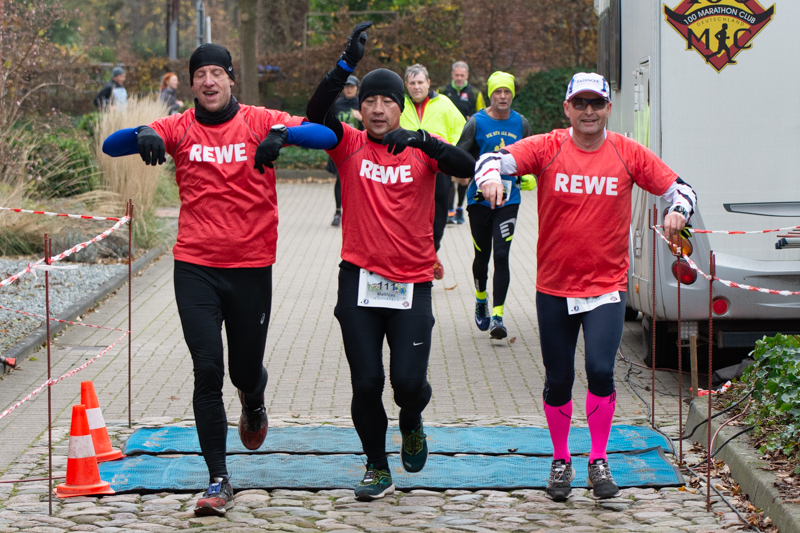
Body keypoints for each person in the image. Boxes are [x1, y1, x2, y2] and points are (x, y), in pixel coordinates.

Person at [101, 43, 336, 517]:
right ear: (192, 83)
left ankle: (253, 395)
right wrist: (145, 132)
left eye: (216, 73)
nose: (208, 81)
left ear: (231, 79)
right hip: (196, 267)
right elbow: (112, 145)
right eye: (200, 74)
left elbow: (326, 135)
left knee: (243, 372)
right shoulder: (180, 127)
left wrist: (282, 136)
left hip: (250, 266)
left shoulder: (257, 120)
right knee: (207, 369)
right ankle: (218, 479)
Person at [474, 72, 696, 501]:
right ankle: (561, 460)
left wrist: (678, 212)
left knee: (600, 371)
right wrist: (490, 178)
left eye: (597, 103)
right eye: (581, 103)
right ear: (567, 108)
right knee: (559, 379)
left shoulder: (627, 152)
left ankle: (598, 459)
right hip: (555, 287)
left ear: (608, 108)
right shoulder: (548, 146)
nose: (588, 111)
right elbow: (491, 160)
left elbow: (680, 189)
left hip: (605, 288)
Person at [306, 22, 475, 501]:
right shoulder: (348, 143)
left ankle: (412, 419)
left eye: (387, 101)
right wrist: (345, 64)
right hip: (358, 281)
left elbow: (466, 166)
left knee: (407, 384)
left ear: (401, 106)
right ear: (359, 108)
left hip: (412, 283)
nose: (378, 109)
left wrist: (426, 143)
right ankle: (377, 467)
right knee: (366, 383)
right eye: (370, 101)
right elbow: (315, 112)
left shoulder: (421, 147)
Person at [456, 71, 534, 340]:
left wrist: (529, 176)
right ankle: (481, 298)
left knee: (501, 255)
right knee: (483, 256)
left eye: (507, 92)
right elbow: (460, 155)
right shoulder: (476, 122)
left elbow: (532, 155)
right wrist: (470, 173)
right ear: (490, 94)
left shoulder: (521, 123)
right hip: (479, 201)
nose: (502, 96)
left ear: (513, 94)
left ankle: (498, 316)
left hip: (508, 200)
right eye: (498, 92)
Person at [399, 63, 466, 280]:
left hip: (438, 171)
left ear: (428, 83)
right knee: (407, 220)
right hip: (407, 172)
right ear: (406, 85)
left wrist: (451, 157)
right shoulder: (399, 104)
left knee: (438, 222)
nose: (416, 87)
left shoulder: (444, 103)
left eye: (420, 82)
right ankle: (415, 264)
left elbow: (461, 131)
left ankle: (432, 253)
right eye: (412, 83)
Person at [440, 61, 485, 225]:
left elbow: (483, 115)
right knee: (451, 175)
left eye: (462, 75)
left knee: (464, 178)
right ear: (452, 74)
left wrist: (471, 120)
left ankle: (459, 207)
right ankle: (449, 210)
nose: (459, 78)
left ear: (467, 75)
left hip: (468, 140)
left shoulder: (475, 93)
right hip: (449, 138)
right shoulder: (442, 92)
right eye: (456, 75)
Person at [327, 75, 363, 226]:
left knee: (359, 181)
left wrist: (361, 118)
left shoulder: (362, 103)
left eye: (352, 86)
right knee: (340, 180)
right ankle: (338, 212)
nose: (349, 89)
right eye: (347, 86)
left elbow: (372, 126)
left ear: (356, 88)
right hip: (340, 147)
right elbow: (328, 123)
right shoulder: (337, 104)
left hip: (358, 147)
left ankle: (357, 213)